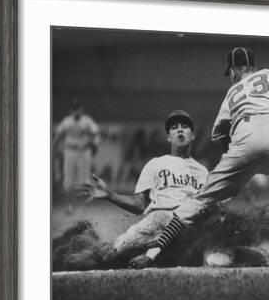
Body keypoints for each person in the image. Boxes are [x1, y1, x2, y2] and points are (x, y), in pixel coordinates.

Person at [129, 46, 269, 269]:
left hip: (246, 137)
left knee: (198, 201)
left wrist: (233, 174)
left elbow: (221, 132)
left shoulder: (232, 92)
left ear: (233, 71)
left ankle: (151, 255)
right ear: (254, 67)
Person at [76, 110, 209, 268]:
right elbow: (140, 205)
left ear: (193, 135)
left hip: (186, 228)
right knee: (109, 256)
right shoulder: (156, 164)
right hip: (155, 223)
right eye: (174, 127)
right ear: (168, 137)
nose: (180, 129)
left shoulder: (203, 172)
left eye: (185, 126)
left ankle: (153, 255)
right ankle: (79, 252)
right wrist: (109, 195)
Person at [53, 98, 100, 214]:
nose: (76, 111)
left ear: (81, 109)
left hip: (84, 152)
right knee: (68, 182)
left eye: (78, 108)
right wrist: (53, 148)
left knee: (84, 182)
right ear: (71, 110)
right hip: (70, 151)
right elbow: (58, 136)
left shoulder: (87, 121)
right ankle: (69, 206)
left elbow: (96, 133)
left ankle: (83, 209)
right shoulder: (67, 121)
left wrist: (94, 145)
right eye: (74, 109)